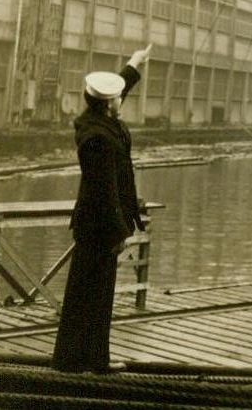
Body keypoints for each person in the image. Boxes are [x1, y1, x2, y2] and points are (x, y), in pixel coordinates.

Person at [52, 44, 152, 374]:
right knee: (91, 296)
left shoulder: (99, 121)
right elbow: (104, 191)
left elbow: (119, 85)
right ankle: (86, 362)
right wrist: (119, 231)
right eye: (118, 98)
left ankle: (82, 360)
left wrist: (134, 64)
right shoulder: (97, 137)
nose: (122, 99)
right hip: (99, 226)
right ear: (109, 104)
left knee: (92, 293)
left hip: (98, 225)